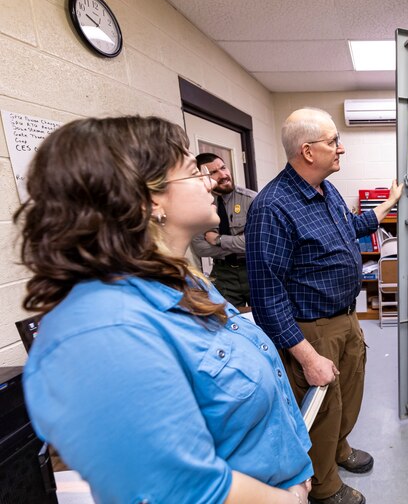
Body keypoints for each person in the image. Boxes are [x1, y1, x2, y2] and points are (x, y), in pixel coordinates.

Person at [17, 116, 312, 504]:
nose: (209, 181)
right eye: (193, 172)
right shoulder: (104, 331)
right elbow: (180, 491)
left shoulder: (182, 280)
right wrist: (286, 500)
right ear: (149, 199)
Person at [245, 108, 403, 504]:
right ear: (307, 150)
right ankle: (324, 486)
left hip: (345, 318)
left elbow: (351, 227)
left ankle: (340, 450)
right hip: (311, 328)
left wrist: (390, 203)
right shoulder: (272, 208)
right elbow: (266, 296)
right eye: (333, 141)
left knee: (349, 393)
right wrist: (307, 355)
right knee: (322, 408)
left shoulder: (325, 190)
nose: (341, 148)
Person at [190, 152, 256, 310]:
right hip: (223, 273)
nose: (223, 175)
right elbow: (200, 247)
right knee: (228, 319)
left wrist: (218, 240)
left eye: (223, 168)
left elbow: (254, 243)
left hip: (253, 269)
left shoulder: (252, 200)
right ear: (202, 178)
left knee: (264, 318)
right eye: (213, 172)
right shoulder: (200, 205)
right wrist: (238, 244)